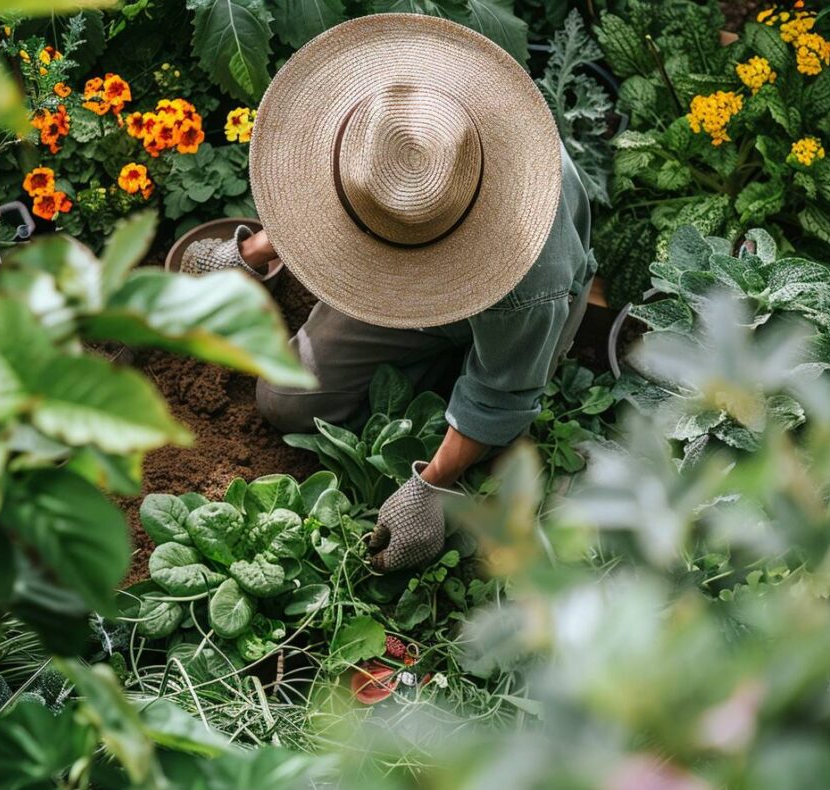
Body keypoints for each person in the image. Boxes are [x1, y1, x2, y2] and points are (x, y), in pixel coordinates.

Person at [177, 13, 596, 573]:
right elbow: (338, 191)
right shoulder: (401, 104)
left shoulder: (527, 277)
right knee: (287, 399)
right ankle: (446, 380)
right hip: (422, 256)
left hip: (517, 315)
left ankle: (472, 411)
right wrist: (257, 253)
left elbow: (500, 395)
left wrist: (431, 485)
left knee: (498, 401)